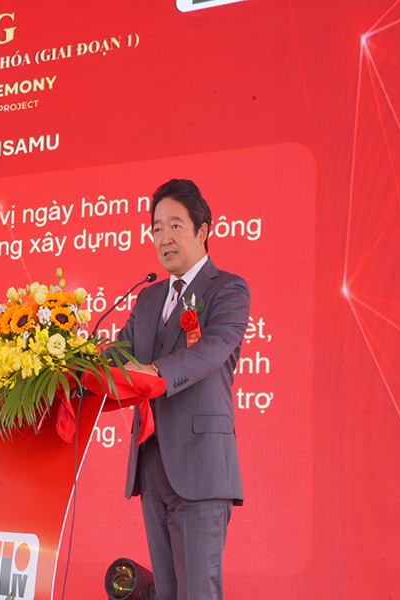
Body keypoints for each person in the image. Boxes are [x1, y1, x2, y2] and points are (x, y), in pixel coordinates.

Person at [117, 178, 249, 600]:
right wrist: (62, 366)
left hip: (200, 467)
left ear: (202, 230)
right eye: (157, 228)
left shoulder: (227, 288)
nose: (164, 238)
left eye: (175, 225)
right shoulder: (147, 298)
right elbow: (117, 355)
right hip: (152, 465)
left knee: (198, 593)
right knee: (168, 593)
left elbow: (211, 350)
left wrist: (153, 370)